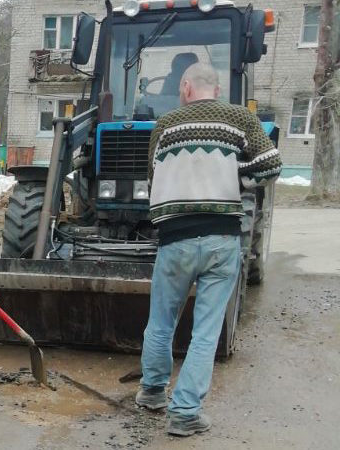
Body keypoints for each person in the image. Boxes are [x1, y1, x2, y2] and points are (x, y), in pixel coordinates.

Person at [135, 63, 282, 435]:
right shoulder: (240, 119)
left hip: (174, 239)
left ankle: (153, 393)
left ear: (186, 87)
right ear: (216, 89)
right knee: (205, 330)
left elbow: (153, 177)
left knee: (161, 321)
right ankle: (185, 413)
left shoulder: (164, 126)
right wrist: (237, 177)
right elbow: (271, 164)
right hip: (221, 240)